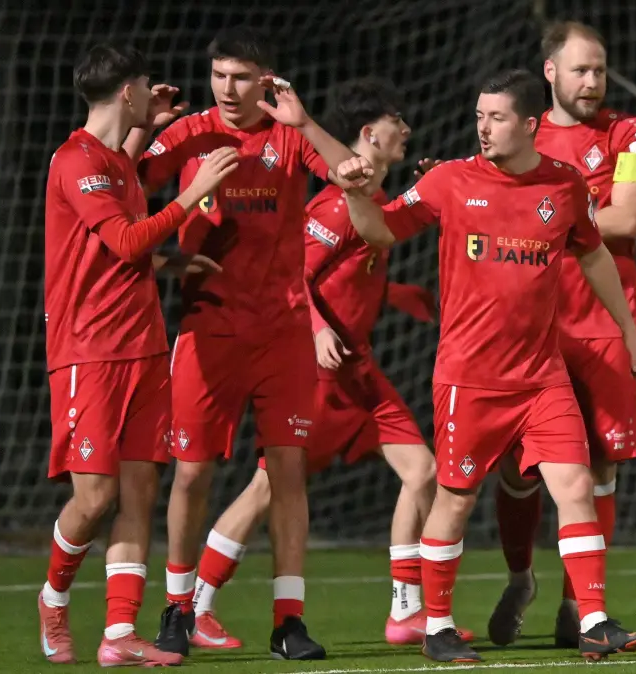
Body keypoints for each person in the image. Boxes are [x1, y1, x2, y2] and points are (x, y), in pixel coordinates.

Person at [334, 69, 636, 663]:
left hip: (541, 376)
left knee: (576, 486)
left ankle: (595, 620)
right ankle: (437, 627)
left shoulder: (564, 185)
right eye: (479, 116)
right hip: (469, 381)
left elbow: (594, 255)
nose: (482, 128)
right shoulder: (450, 181)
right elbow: (379, 231)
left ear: (530, 124)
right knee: (455, 500)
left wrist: (629, 329)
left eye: (496, 117)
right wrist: (355, 193)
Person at [179, 76, 459, 650]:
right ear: (367, 135)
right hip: (321, 375)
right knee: (268, 489)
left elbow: (359, 270)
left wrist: (401, 295)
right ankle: (197, 605)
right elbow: (293, 272)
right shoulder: (335, 205)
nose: (405, 129)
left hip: (360, 372)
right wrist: (316, 328)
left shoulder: (374, 202)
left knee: (423, 472)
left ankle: (405, 609)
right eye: (395, 122)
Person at [125, 26, 354, 660]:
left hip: (283, 333)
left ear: (268, 81)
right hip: (209, 329)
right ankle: (177, 608)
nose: (229, 89)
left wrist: (304, 122)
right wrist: (148, 127)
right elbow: (127, 189)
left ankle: (289, 622)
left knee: (287, 475)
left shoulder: (287, 132)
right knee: (192, 471)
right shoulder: (191, 131)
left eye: (242, 76)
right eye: (220, 75)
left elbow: (346, 172)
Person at [38, 42, 238, 666]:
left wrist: (174, 260)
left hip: (144, 347)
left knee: (139, 493)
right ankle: (53, 597)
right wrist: (193, 193)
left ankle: (119, 635)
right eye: (145, 85)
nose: (155, 92)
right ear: (125, 90)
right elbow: (124, 243)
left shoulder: (118, 163)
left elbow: (130, 252)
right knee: (94, 498)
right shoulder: (77, 161)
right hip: (89, 352)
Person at [487, 20, 636, 648]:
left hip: (604, 328)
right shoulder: (523, 130)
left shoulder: (630, 133)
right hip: (530, 329)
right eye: (581, 69)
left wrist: (543, 211)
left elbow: (628, 217)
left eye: (600, 68)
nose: (593, 80)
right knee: (517, 470)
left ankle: (578, 607)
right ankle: (520, 576)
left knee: (603, 467)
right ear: (550, 73)